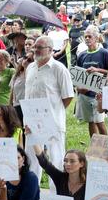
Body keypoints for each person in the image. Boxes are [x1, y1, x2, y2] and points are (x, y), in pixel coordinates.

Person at [25, 36, 74, 180]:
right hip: (32, 121)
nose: (36, 50)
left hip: (53, 121)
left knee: (56, 159)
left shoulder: (59, 69)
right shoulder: (30, 67)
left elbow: (68, 96)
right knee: (31, 159)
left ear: (51, 50)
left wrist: (54, 111)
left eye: (40, 47)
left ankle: (57, 196)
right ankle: (33, 193)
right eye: (35, 47)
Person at [74, 26, 108, 136]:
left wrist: (97, 70)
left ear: (96, 38)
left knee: (99, 121)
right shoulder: (81, 55)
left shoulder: (105, 53)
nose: (87, 39)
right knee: (90, 121)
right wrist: (78, 88)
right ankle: (94, 147)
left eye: (90, 36)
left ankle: (106, 147)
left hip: (99, 94)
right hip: (85, 94)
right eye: (85, 37)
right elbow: (77, 75)